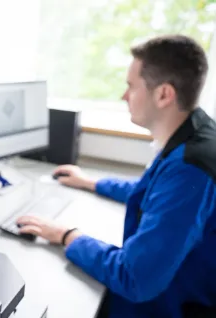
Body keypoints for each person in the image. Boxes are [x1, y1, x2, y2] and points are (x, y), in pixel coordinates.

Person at [17, 34, 216, 318]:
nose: (124, 96)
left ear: (163, 94)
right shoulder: (195, 134)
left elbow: (134, 278)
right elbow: (155, 192)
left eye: (131, 86)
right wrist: (91, 182)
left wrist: (66, 235)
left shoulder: (190, 168)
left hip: (166, 307)